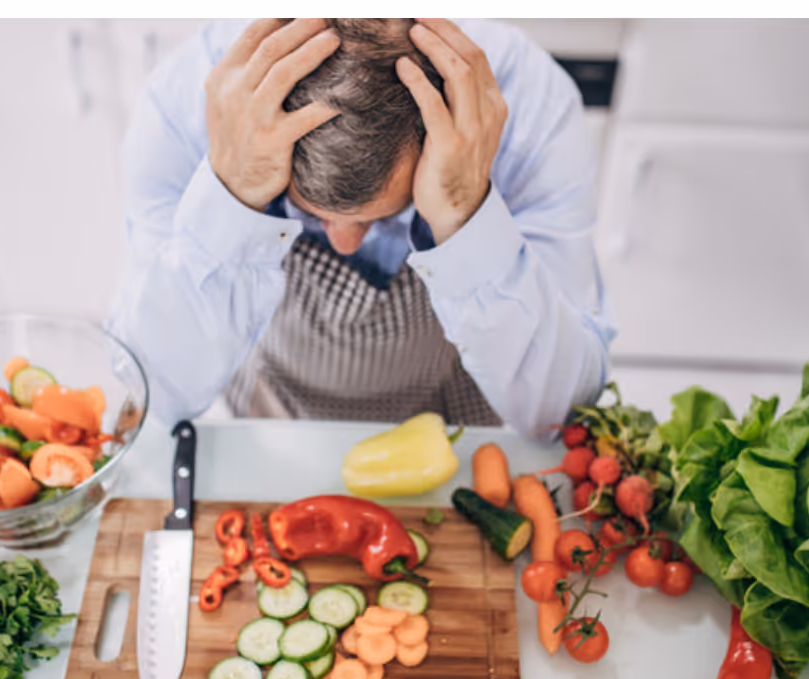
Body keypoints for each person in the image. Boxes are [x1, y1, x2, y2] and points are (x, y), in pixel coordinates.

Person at [106, 18, 616, 436]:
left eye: (383, 216)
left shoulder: (530, 104)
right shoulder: (183, 106)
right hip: (271, 412)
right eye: (310, 214)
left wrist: (465, 212)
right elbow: (150, 398)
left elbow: (561, 416)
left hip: (455, 420)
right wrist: (232, 198)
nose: (344, 242)